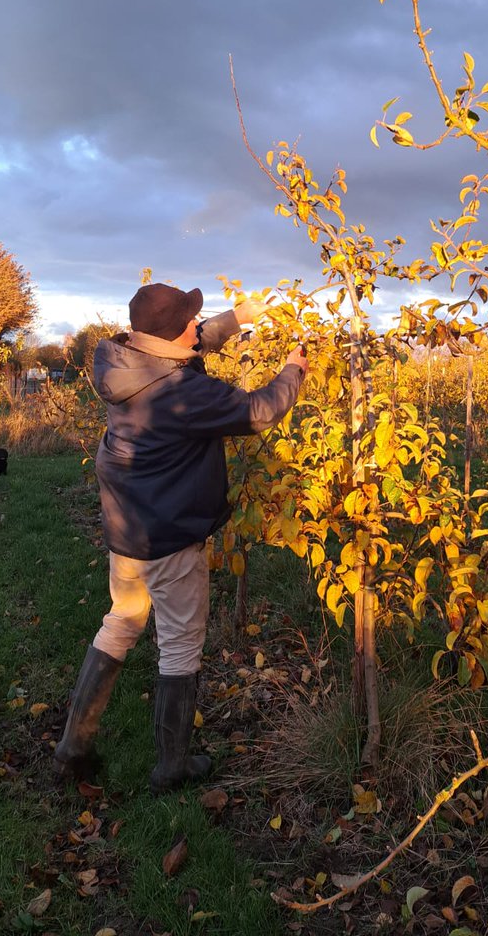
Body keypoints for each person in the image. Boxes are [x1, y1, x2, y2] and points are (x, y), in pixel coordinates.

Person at [54, 282, 307, 792]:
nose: (197, 324)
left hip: (128, 527)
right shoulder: (180, 392)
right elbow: (259, 411)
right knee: (180, 645)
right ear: (170, 334)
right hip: (168, 533)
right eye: (190, 319)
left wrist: (239, 316)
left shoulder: (126, 360)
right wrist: (293, 370)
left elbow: (189, 342)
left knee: (121, 621)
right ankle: (172, 767)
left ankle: (72, 750)